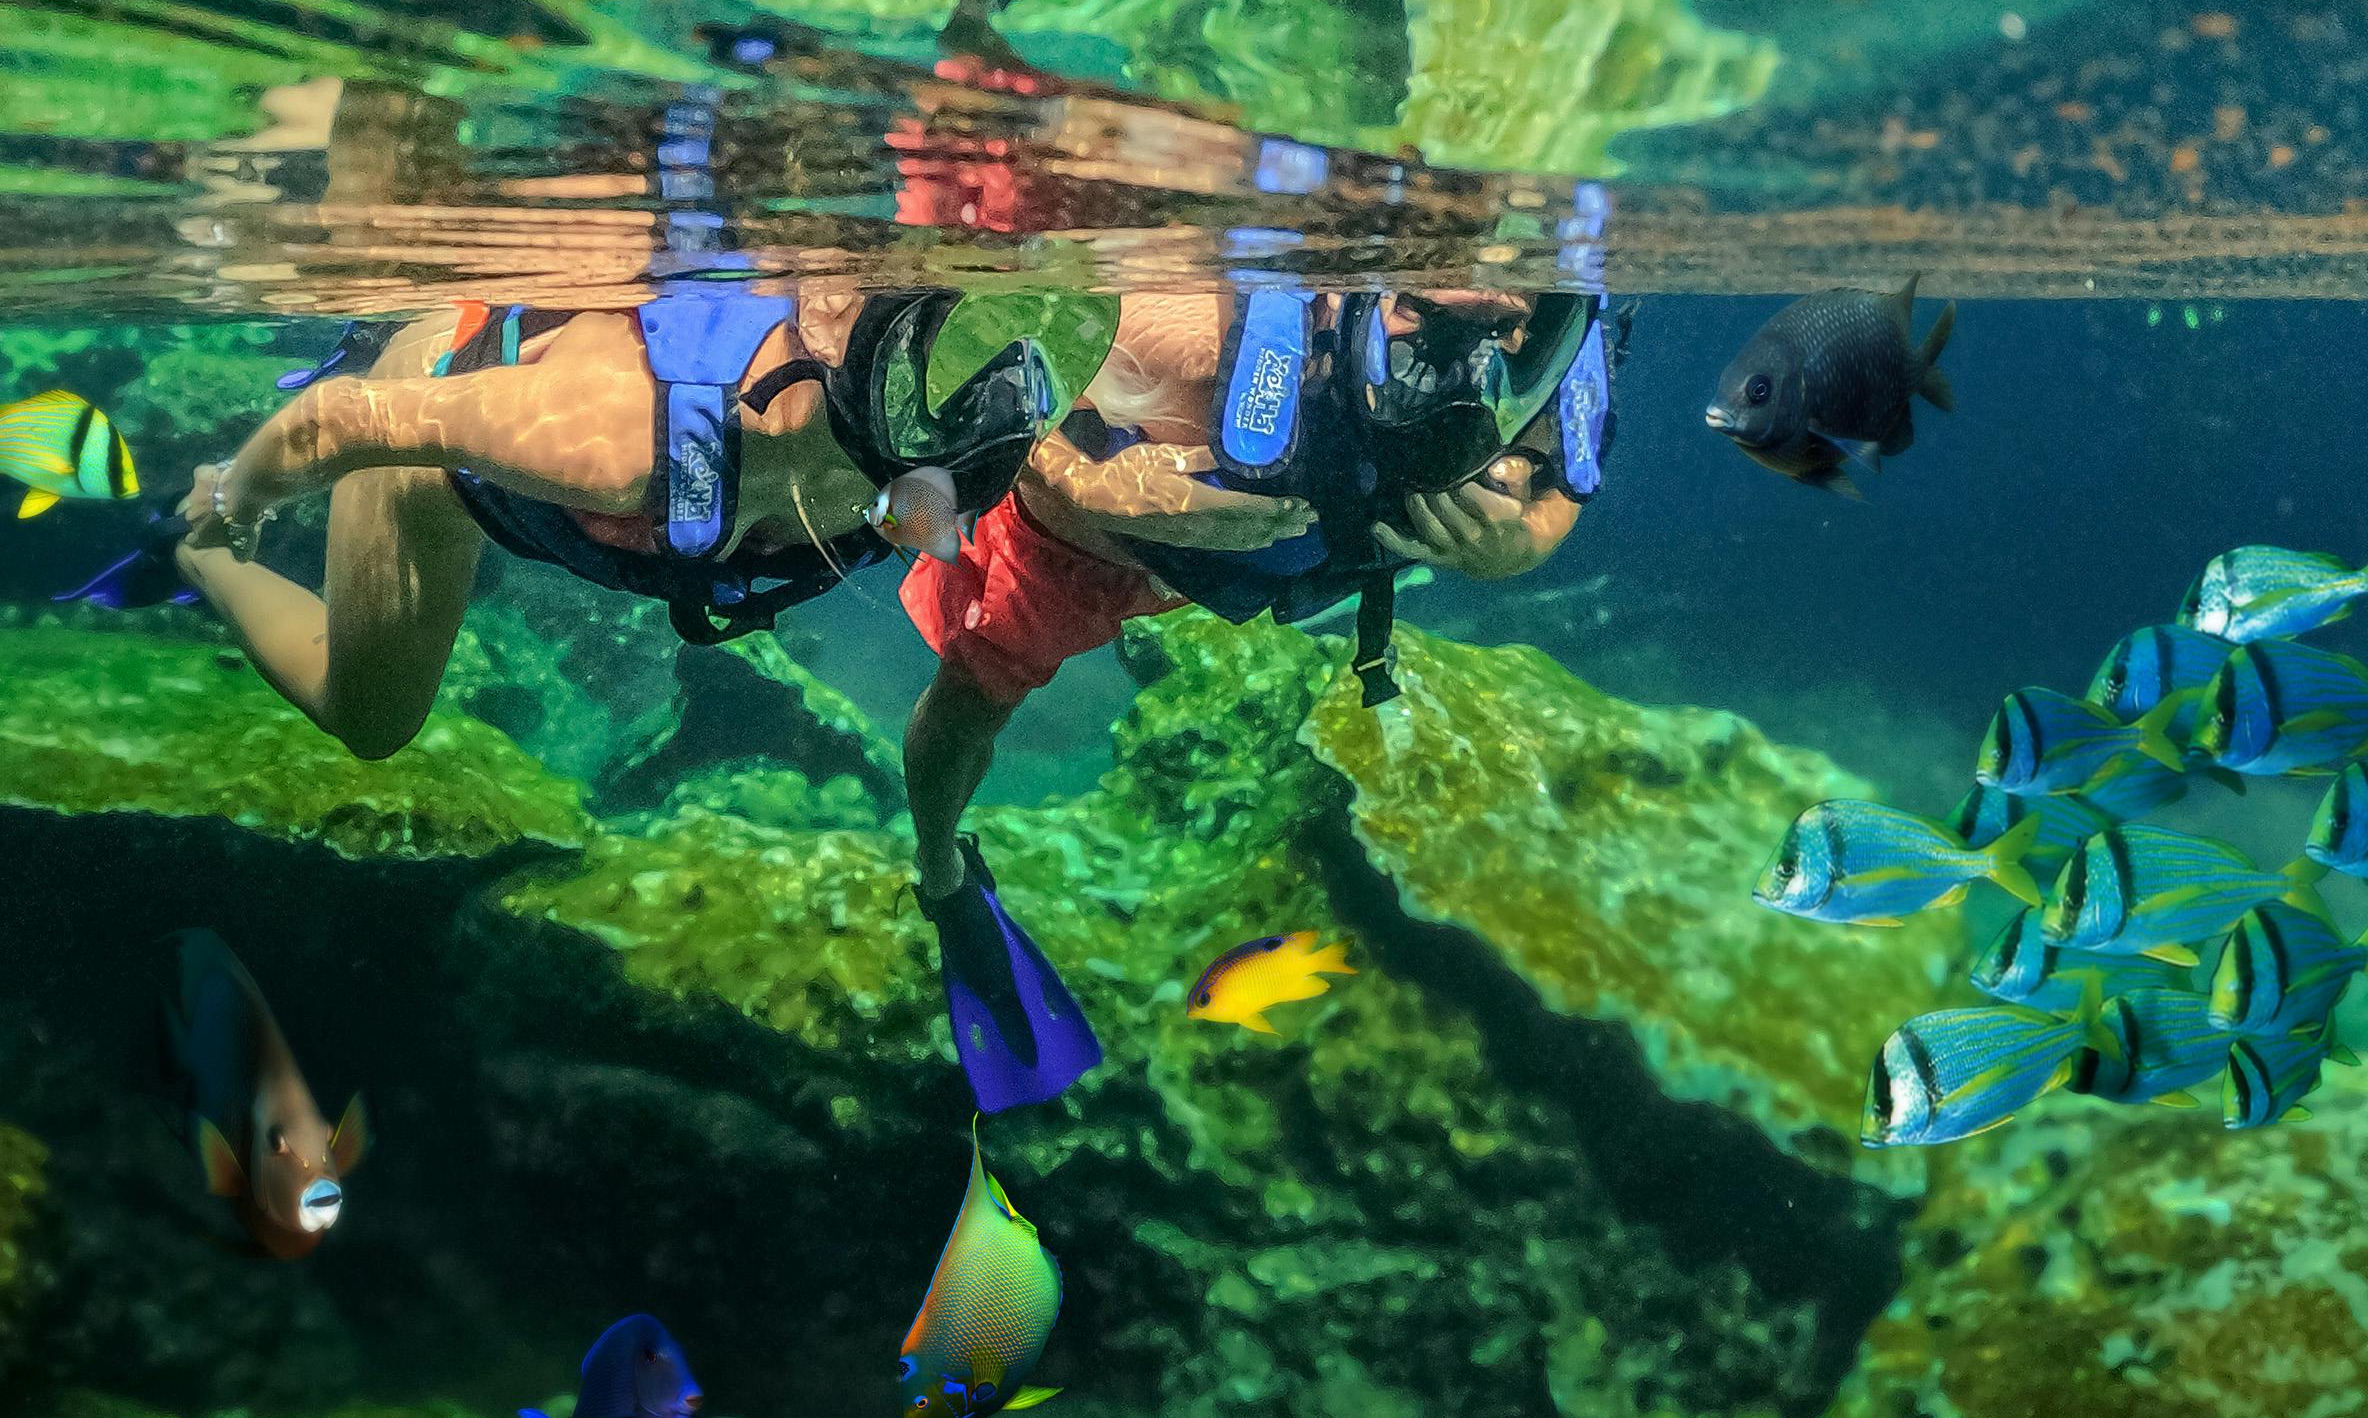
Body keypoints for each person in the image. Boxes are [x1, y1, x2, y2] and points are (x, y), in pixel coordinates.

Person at [902, 284, 1618, 1113]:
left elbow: (1576, 453)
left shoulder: (1547, 332)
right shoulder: (1181, 331)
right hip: (1091, 541)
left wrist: (1522, 546)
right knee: (973, 690)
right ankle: (942, 870)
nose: (1473, 360)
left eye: (1503, 327)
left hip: (1308, 548)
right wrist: (1091, 486)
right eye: (1428, 313)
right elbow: (968, 374)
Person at [154, 284, 1087, 762]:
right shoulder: (616, 438)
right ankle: (197, 551)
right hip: (442, 458)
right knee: (370, 721)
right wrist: (236, 501)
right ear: (835, 322)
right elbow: (339, 422)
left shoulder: (949, 466)